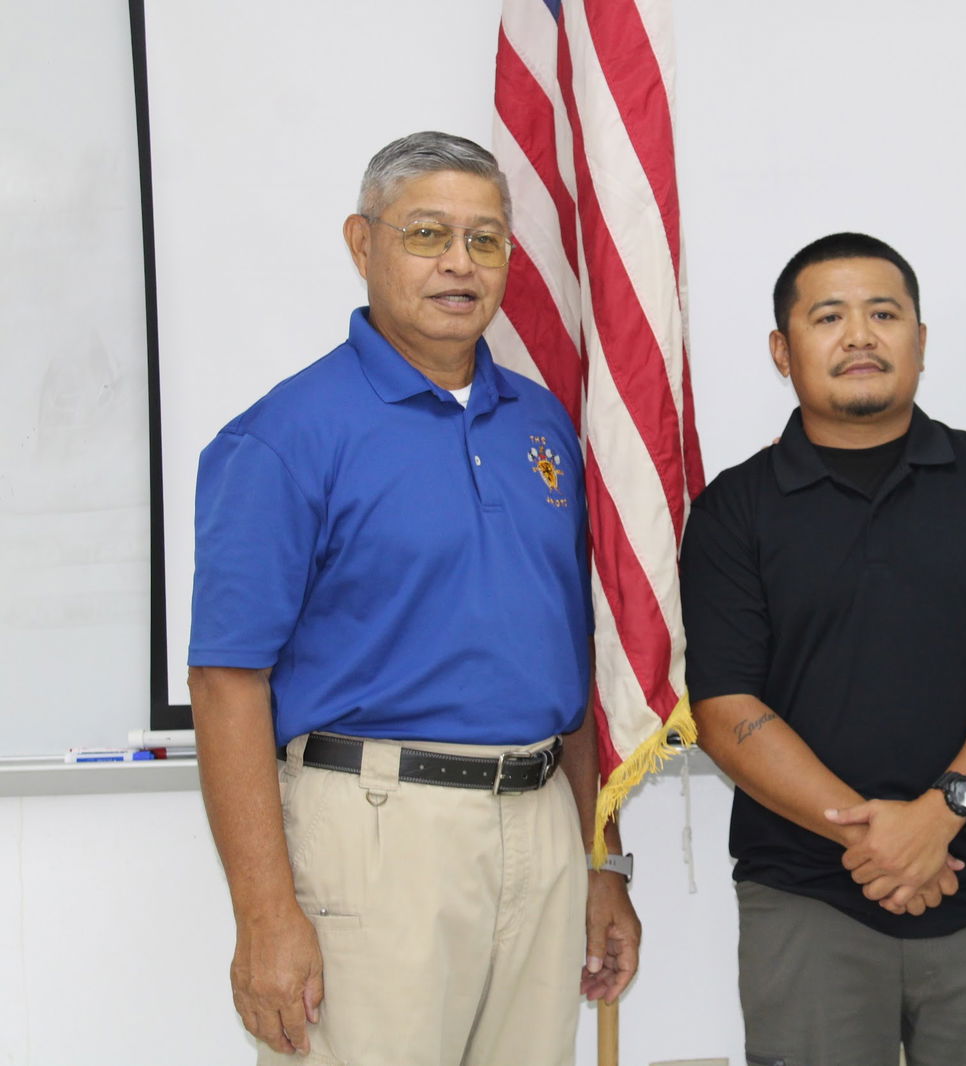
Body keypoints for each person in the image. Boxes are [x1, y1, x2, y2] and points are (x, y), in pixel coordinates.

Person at [187, 131, 639, 1066]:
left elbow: (569, 653)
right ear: (362, 244)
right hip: (376, 832)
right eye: (427, 233)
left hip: (541, 822)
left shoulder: (542, 424)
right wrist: (266, 916)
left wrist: (603, 861)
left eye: (485, 240)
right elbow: (228, 683)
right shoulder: (282, 438)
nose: (457, 264)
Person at [680, 232, 966, 1066]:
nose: (860, 336)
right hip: (808, 897)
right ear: (781, 352)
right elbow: (727, 712)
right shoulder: (734, 510)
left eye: (884, 314)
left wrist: (940, 816)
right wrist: (876, 841)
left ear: (921, 343)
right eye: (829, 316)